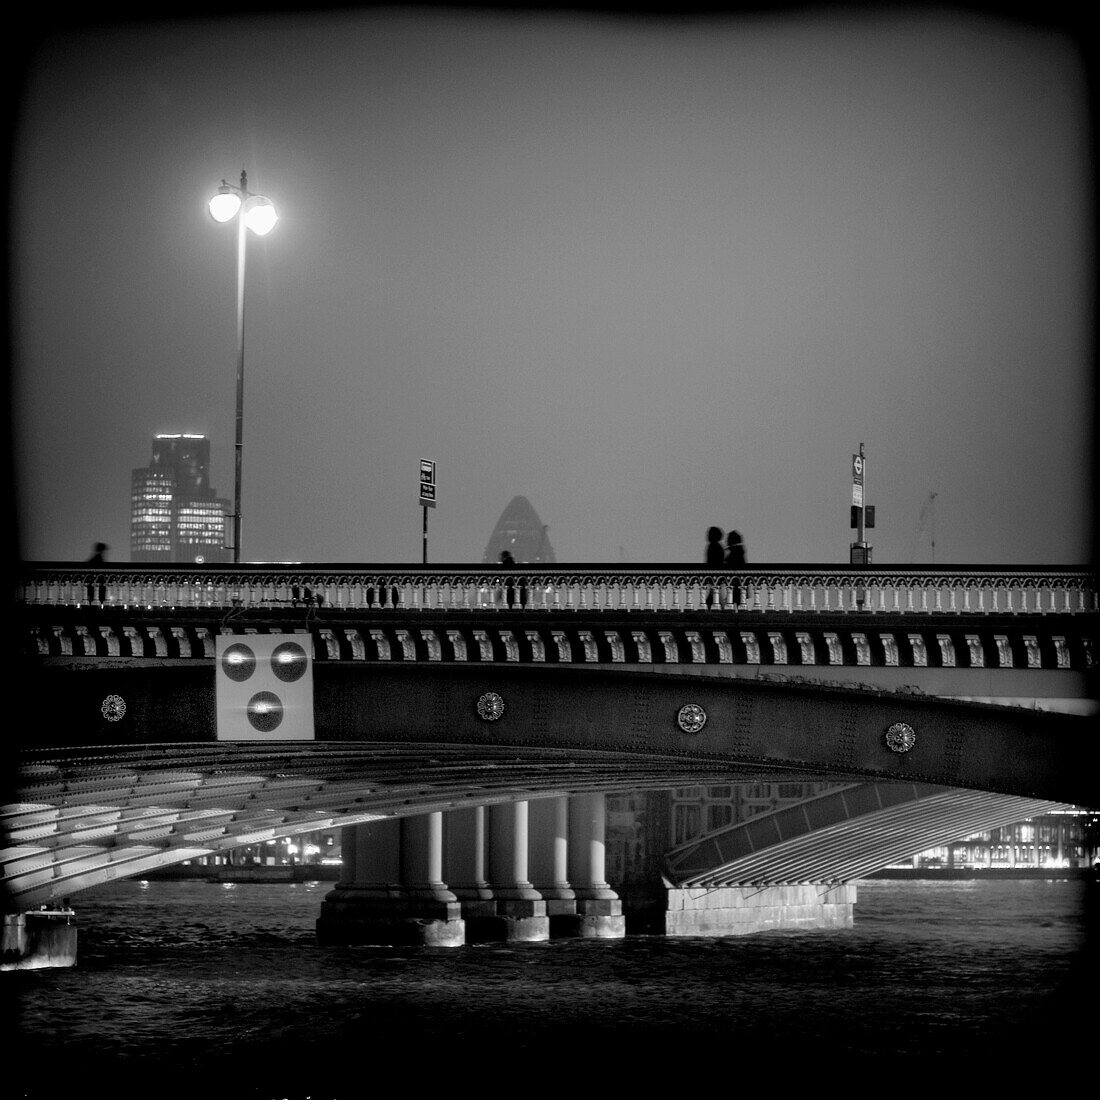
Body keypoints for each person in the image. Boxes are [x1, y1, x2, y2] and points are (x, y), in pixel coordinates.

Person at [724, 530, 746, 608]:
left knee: (735, 602)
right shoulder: (739, 550)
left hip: (736, 582)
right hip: (738, 583)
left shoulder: (735, 551)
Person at [704, 526, 723, 608]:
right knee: (715, 596)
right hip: (715, 577)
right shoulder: (717, 547)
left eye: (709, 533)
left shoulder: (713, 547)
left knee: (714, 596)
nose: (707, 535)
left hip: (714, 576)